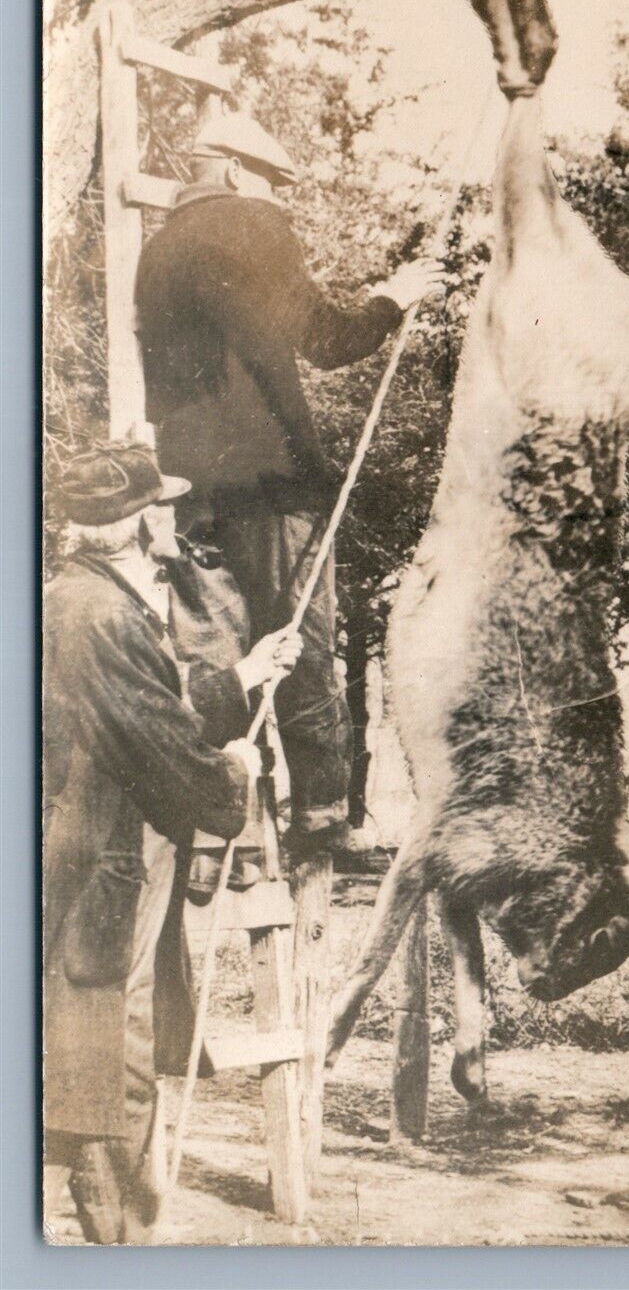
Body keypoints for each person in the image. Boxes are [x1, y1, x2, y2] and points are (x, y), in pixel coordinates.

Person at [135, 111, 444, 859]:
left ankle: (219, 837)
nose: (278, 199)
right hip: (270, 482)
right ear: (239, 173)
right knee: (299, 639)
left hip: (182, 488)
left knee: (213, 652)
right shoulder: (253, 223)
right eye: (273, 183)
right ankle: (322, 821)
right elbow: (329, 340)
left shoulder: (154, 252)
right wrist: (395, 295)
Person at [43, 442, 302, 1242]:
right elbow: (156, 739)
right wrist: (234, 770)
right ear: (131, 523)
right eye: (163, 505)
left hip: (99, 851)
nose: (175, 516)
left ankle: (116, 1228)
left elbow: (149, 705)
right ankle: (121, 1242)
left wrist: (245, 676)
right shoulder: (99, 614)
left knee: (95, 1038)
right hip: (106, 860)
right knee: (103, 1045)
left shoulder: (78, 599)